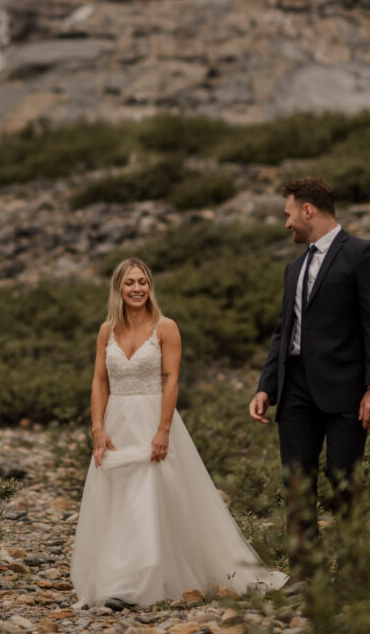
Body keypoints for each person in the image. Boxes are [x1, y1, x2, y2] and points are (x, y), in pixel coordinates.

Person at [71, 257, 288, 608]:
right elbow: (99, 380)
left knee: (148, 496)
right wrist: (97, 428)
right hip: (116, 422)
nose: (137, 288)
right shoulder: (106, 330)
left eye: (142, 282)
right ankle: (115, 578)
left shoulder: (165, 327)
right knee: (118, 498)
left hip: (153, 418)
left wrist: (163, 430)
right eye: (130, 283)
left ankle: (135, 584)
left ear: (150, 286)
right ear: (118, 289)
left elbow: (171, 379)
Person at [249, 177, 370, 568]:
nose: (286, 223)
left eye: (288, 213)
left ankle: (352, 567)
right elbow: (284, 331)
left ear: (308, 210)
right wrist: (266, 388)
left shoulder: (364, 255)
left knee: (343, 478)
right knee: (296, 480)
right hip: (294, 387)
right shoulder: (294, 268)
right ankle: (304, 572)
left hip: (347, 389)